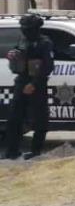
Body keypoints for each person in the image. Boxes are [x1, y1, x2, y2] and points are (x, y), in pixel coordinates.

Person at [4, 13, 54, 160]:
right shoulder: (22, 39)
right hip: (21, 80)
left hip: (37, 83)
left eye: (27, 28)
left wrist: (34, 84)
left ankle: (35, 151)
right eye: (23, 28)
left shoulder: (45, 43)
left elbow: (48, 66)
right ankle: (11, 151)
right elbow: (16, 53)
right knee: (14, 118)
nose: (25, 30)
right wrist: (12, 55)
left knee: (40, 119)